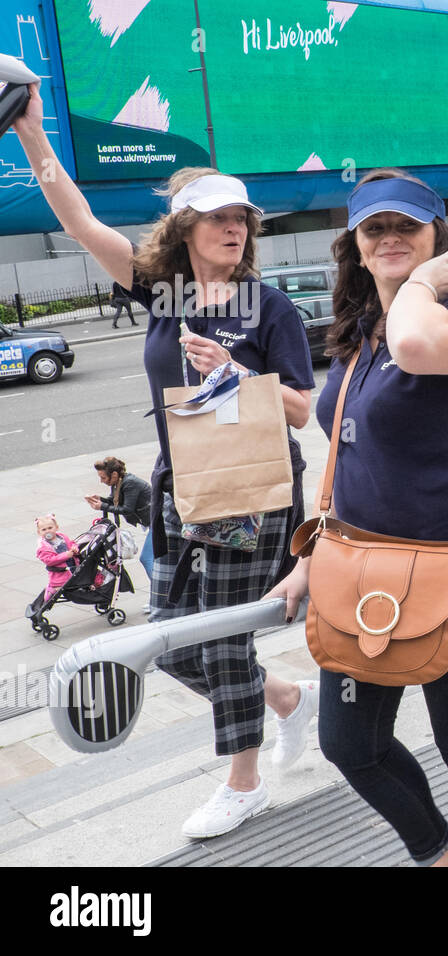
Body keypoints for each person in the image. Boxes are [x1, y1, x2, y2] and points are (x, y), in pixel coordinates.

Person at [12, 79, 319, 839]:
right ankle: (284, 696)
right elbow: (80, 221)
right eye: (217, 217)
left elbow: (305, 410)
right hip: (184, 487)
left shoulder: (270, 308)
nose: (234, 229)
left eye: (241, 219)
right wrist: (31, 134)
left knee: (218, 637)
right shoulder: (160, 293)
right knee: (172, 633)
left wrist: (235, 375)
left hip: (255, 491)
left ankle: (242, 782)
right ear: (185, 227)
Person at [268, 169, 448, 867]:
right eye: (374, 229)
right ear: (356, 246)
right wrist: (309, 557)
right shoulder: (358, 333)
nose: (390, 238)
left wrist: (422, 284)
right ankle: (437, 853)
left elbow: (418, 346)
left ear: (435, 238)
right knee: (348, 742)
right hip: (366, 571)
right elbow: (345, 451)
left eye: (406, 227)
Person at [85, 456, 154, 586]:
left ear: (114, 474)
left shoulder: (130, 483)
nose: (101, 481)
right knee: (155, 559)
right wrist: (99, 499)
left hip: (160, 522)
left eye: (103, 478)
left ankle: (159, 594)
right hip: (154, 522)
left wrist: (102, 506)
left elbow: (127, 509)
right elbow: (113, 501)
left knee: (147, 558)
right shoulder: (119, 482)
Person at [35, 514, 85, 602]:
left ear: (56, 527)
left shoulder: (62, 537)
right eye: (44, 529)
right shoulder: (43, 547)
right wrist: (65, 555)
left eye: (50, 528)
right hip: (59, 571)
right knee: (61, 585)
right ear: (39, 532)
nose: (47, 531)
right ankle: (51, 589)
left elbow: (71, 543)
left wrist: (74, 548)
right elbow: (49, 560)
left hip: (71, 564)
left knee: (75, 579)